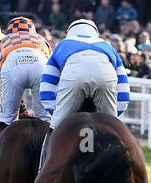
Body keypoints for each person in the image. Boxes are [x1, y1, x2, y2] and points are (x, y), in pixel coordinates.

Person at [39, 18, 130, 167]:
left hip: (73, 76)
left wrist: (55, 114)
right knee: (113, 130)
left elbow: (47, 85)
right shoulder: (107, 46)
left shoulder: (62, 45)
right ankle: (122, 168)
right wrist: (114, 118)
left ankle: (43, 168)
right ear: (95, 33)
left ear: (70, 32)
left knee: (54, 128)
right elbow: (124, 91)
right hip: (105, 76)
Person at [0, 15, 50, 180]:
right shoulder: (41, 40)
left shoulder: (1, 42)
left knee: (5, 119)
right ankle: (51, 162)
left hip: (12, 64)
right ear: (31, 30)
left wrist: (6, 107)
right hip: (40, 65)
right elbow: (53, 75)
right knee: (46, 119)